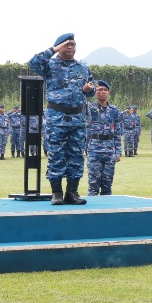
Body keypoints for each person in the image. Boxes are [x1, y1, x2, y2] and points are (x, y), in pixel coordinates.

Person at [29, 33, 96, 205]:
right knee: (56, 155)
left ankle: (72, 192)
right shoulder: (49, 65)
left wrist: (88, 90)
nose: (71, 47)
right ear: (59, 47)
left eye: (73, 44)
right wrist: (52, 50)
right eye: (67, 44)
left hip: (77, 119)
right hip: (56, 119)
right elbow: (33, 63)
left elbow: (92, 91)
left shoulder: (83, 67)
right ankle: (57, 192)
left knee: (76, 156)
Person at [85, 81, 123, 196]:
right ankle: (92, 206)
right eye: (99, 90)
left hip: (109, 150)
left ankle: (106, 206)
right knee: (93, 183)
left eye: (105, 90)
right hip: (94, 149)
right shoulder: (89, 108)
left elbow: (117, 132)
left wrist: (118, 151)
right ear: (95, 93)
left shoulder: (114, 110)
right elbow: (84, 128)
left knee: (107, 184)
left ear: (108, 93)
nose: (103, 92)